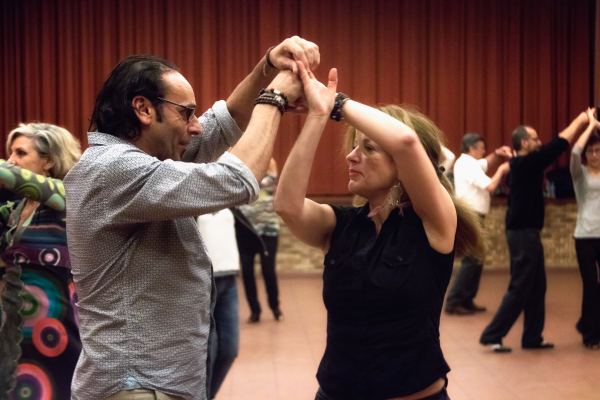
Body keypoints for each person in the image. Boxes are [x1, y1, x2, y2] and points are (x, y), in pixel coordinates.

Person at [63, 36, 318, 400]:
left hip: (155, 383)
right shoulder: (113, 169)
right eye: (186, 113)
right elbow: (236, 179)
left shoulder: (144, 160)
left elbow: (224, 123)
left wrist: (267, 67)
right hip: (136, 386)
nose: (196, 126)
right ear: (144, 109)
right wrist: (274, 97)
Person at [275, 62, 483, 400]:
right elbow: (287, 205)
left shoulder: (433, 223)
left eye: (368, 148)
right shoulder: (341, 225)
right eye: (354, 147)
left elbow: (404, 140)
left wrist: (335, 103)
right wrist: (316, 116)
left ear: (404, 168)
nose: (352, 157)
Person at [480, 112, 590, 353]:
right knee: (520, 286)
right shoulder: (526, 163)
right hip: (522, 234)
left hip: (528, 232)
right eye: (535, 138)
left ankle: (532, 337)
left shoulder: (521, 164)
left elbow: (553, 146)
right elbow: (559, 143)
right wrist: (582, 120)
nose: (539, 141)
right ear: (524, 143)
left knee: (537, 285)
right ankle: (492, 335)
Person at [0, 122, 81, 399]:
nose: (11, 161)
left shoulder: (65, 195)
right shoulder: (16, 208)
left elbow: (13, 177)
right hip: (14, 324)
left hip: (55, 326)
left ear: (48, 161)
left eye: (21, 153)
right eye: (10, 153)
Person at [444, 133, 510, 315]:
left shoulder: (469, 162)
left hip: (475, 215)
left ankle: (467, 299)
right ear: (472, 148)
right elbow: (490, 186)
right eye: (481, 147)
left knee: (477, 259)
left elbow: (485, 163)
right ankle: (454, 301)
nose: (483, 150)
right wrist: (503, 169)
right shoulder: (467, 164)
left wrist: (497, 154)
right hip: (472, 215)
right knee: (471, 259)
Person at [197, 208, 240, 397]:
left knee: (229, 350)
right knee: (208, 355)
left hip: (229, 279)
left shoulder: (228, 194)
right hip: (203, 281)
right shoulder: (192, 195)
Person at [236, 157, 282, 323]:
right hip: (244, 230)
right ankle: (255, 311)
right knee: (247, 272)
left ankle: (275, 307)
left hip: (268, 229)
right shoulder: (238, 163)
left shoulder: (270, 161)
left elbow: (264, 181)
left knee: (268, 270)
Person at [570, 108, 600, 349]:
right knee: (591, 286)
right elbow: (574, 151)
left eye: (598, 150)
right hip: (584, 237)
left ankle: (586, 323)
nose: (594, 154)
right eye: (591, 151)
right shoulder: (579, 175)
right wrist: (590, 125)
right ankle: (590, 334)